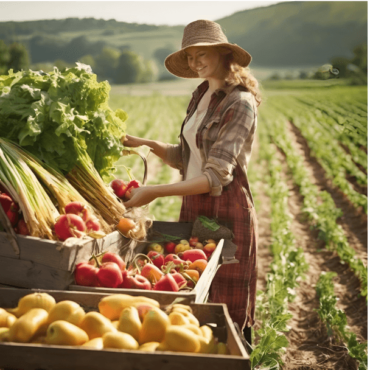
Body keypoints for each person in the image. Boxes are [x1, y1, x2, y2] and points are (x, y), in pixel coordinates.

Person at [122, 19, 261, 343]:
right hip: (195, 206)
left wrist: (154, 192)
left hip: (226, 210)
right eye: (190, 56)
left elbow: (214, 175)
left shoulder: (239, 102)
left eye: (202, 54)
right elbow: (188, 157)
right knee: (194, 294)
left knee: (225, 309)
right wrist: (144, 143)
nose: (195, 62)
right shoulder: (201, 95)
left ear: (224, 53)